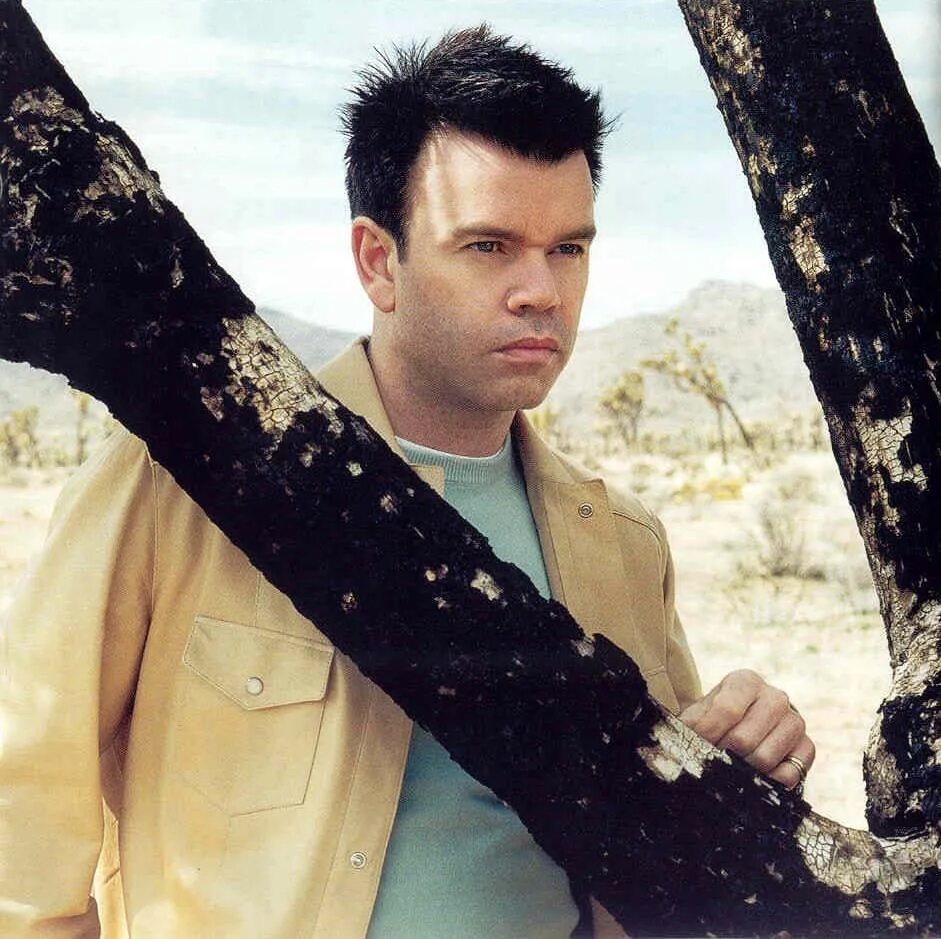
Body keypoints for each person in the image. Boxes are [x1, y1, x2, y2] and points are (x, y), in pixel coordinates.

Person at [0, 25, 815, 939]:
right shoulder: (175, 486)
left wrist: (748, 764)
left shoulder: (621, 542)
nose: (541, 290)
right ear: (377, 261)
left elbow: (665, 857)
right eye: (488, 246)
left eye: (568, 248)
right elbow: (18, 840)